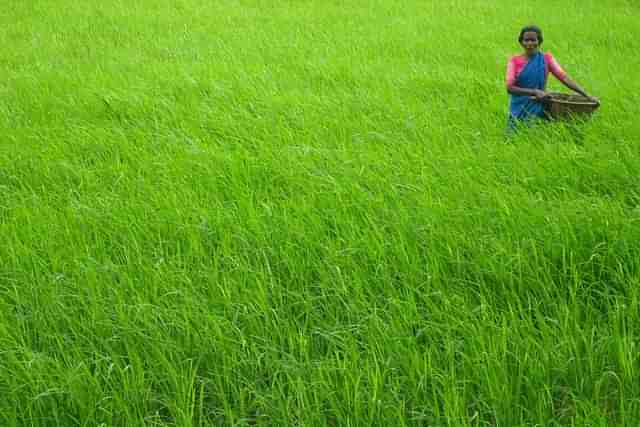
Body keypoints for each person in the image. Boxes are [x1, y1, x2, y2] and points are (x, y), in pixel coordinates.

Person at [506, 25, 598, 131]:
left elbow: (564, 78)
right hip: (518, 107)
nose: (530, 44)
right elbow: (510, 88)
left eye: (533, 40)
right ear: (521, 42)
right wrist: (534, 91)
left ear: (539, 41)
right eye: (526, 40)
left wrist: (587, 96)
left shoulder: (546, 59)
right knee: (515, 135)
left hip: (539, 104)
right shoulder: (514, 61)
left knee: (537, 133)